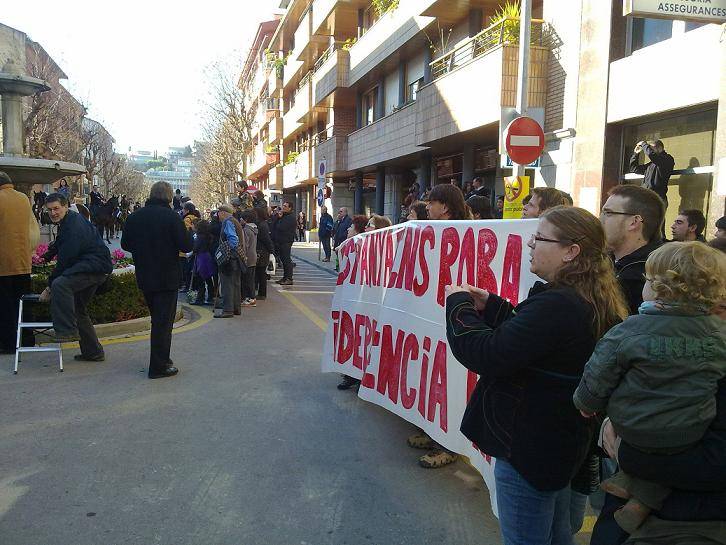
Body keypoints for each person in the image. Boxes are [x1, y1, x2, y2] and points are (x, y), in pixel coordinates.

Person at [445, 206, 629, 545]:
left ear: (571, 252)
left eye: (540, 238)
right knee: (557, 536)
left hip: (529, 448)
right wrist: (495, 306)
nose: (531, 244)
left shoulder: (558, 304)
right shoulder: (587, 297)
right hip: (559, 444)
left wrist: (458, 305)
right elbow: (539, 344)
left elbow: (488, 354)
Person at [573, 241, 726, 534]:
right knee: (667, 445)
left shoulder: (628, 331)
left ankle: (634, 496)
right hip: (690, 432)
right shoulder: (719, 335)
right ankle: (640, 502)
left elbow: (597, 374)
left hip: (630, 429)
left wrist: (585, 405)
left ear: (658, 289)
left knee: (654, 444)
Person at [121, 182, 191, 378]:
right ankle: (159, 366)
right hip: (167, 277)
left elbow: (126, 243)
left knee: (157, 320)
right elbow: (186, 246)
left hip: (145, 275)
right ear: (169, 196)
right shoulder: (172, 218)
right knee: (163, 323)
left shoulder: (135, 217)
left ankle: (162, 360)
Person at [40, 193, 112, 362]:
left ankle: (66, 331)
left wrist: (49, 287)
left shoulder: (74, 226)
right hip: (91, 267)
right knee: (78, 309)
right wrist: (48, 255)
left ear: (65, 206)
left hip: (93, 269)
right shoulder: (69, 220)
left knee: (60, 285)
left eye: (56, 208)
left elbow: (66, 261)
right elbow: (61, 242)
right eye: (50, 210)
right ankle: (93, 352)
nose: (53, 213)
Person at [600, 185, 665, 314]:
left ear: (634, 222)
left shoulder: (652, 276)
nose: (600, 219)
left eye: (607, 213)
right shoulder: (604, 262)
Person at [0, 171, 39, 354]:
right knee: (24, 303)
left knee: (5, 307)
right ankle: (27, 339)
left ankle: (8, 344)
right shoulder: (23, 199)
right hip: (23, 262)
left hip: (3, 264)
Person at [214, 205, 244, 317]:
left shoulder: (228, 222)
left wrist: (229, 251)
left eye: (218, 212)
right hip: (237, 258)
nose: (218, 215)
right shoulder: (235, 221)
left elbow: (233, 239)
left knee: (227, 283)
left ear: (222, 212)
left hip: (230, 258)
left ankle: (228, 310)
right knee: (235, 283)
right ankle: (236, 308)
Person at [628, 140, 675, 206]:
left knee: (655, 216)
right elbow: (634, 169)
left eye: (651, 148)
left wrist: (643, 144)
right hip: (646, 198)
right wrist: (636, 154)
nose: (649, 150)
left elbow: (651, 155)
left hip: (658, 199)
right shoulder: (651, 164)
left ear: (660, 148)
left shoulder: (667, 159)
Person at [190, 220, 216, 305]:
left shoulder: (199, 237)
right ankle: (210, 297)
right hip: (208, 257)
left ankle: (200, 299)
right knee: (208, 279)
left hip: (201, 258)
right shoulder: (209, 236)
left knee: (200, 279)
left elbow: (195, 248)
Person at [254, 207, 274, 300]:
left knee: (261, 273)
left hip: (262, 251)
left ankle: (262, 294)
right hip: (261, 250)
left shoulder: (262, 225)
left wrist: (271, 250)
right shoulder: (261, 224)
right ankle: (260, 292)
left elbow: (266, 239)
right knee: (259, 272)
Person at [274, 201, 296, 286]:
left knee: (286, 260)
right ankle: (285, 277)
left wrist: (280, 218)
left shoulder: (290, 217)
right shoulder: (283, 216)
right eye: (283, 206)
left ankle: (289, 278)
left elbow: (281, 227)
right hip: (281, 241)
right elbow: (275, 225)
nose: (283, 207)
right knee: (283, 260)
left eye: (285, 206)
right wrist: (278, 218)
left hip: (286, 241)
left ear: (290, 208)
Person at [240, 209, 258, 307]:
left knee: (247, 279)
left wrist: (243, 256)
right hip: (253, 256)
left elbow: (245, 245)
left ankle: (250, 298)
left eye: (241, 218)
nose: (240, 220)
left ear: (246, 219)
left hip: (248, 257)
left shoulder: (246, 230)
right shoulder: (254, 228)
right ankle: (251, 297)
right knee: (251, 278)